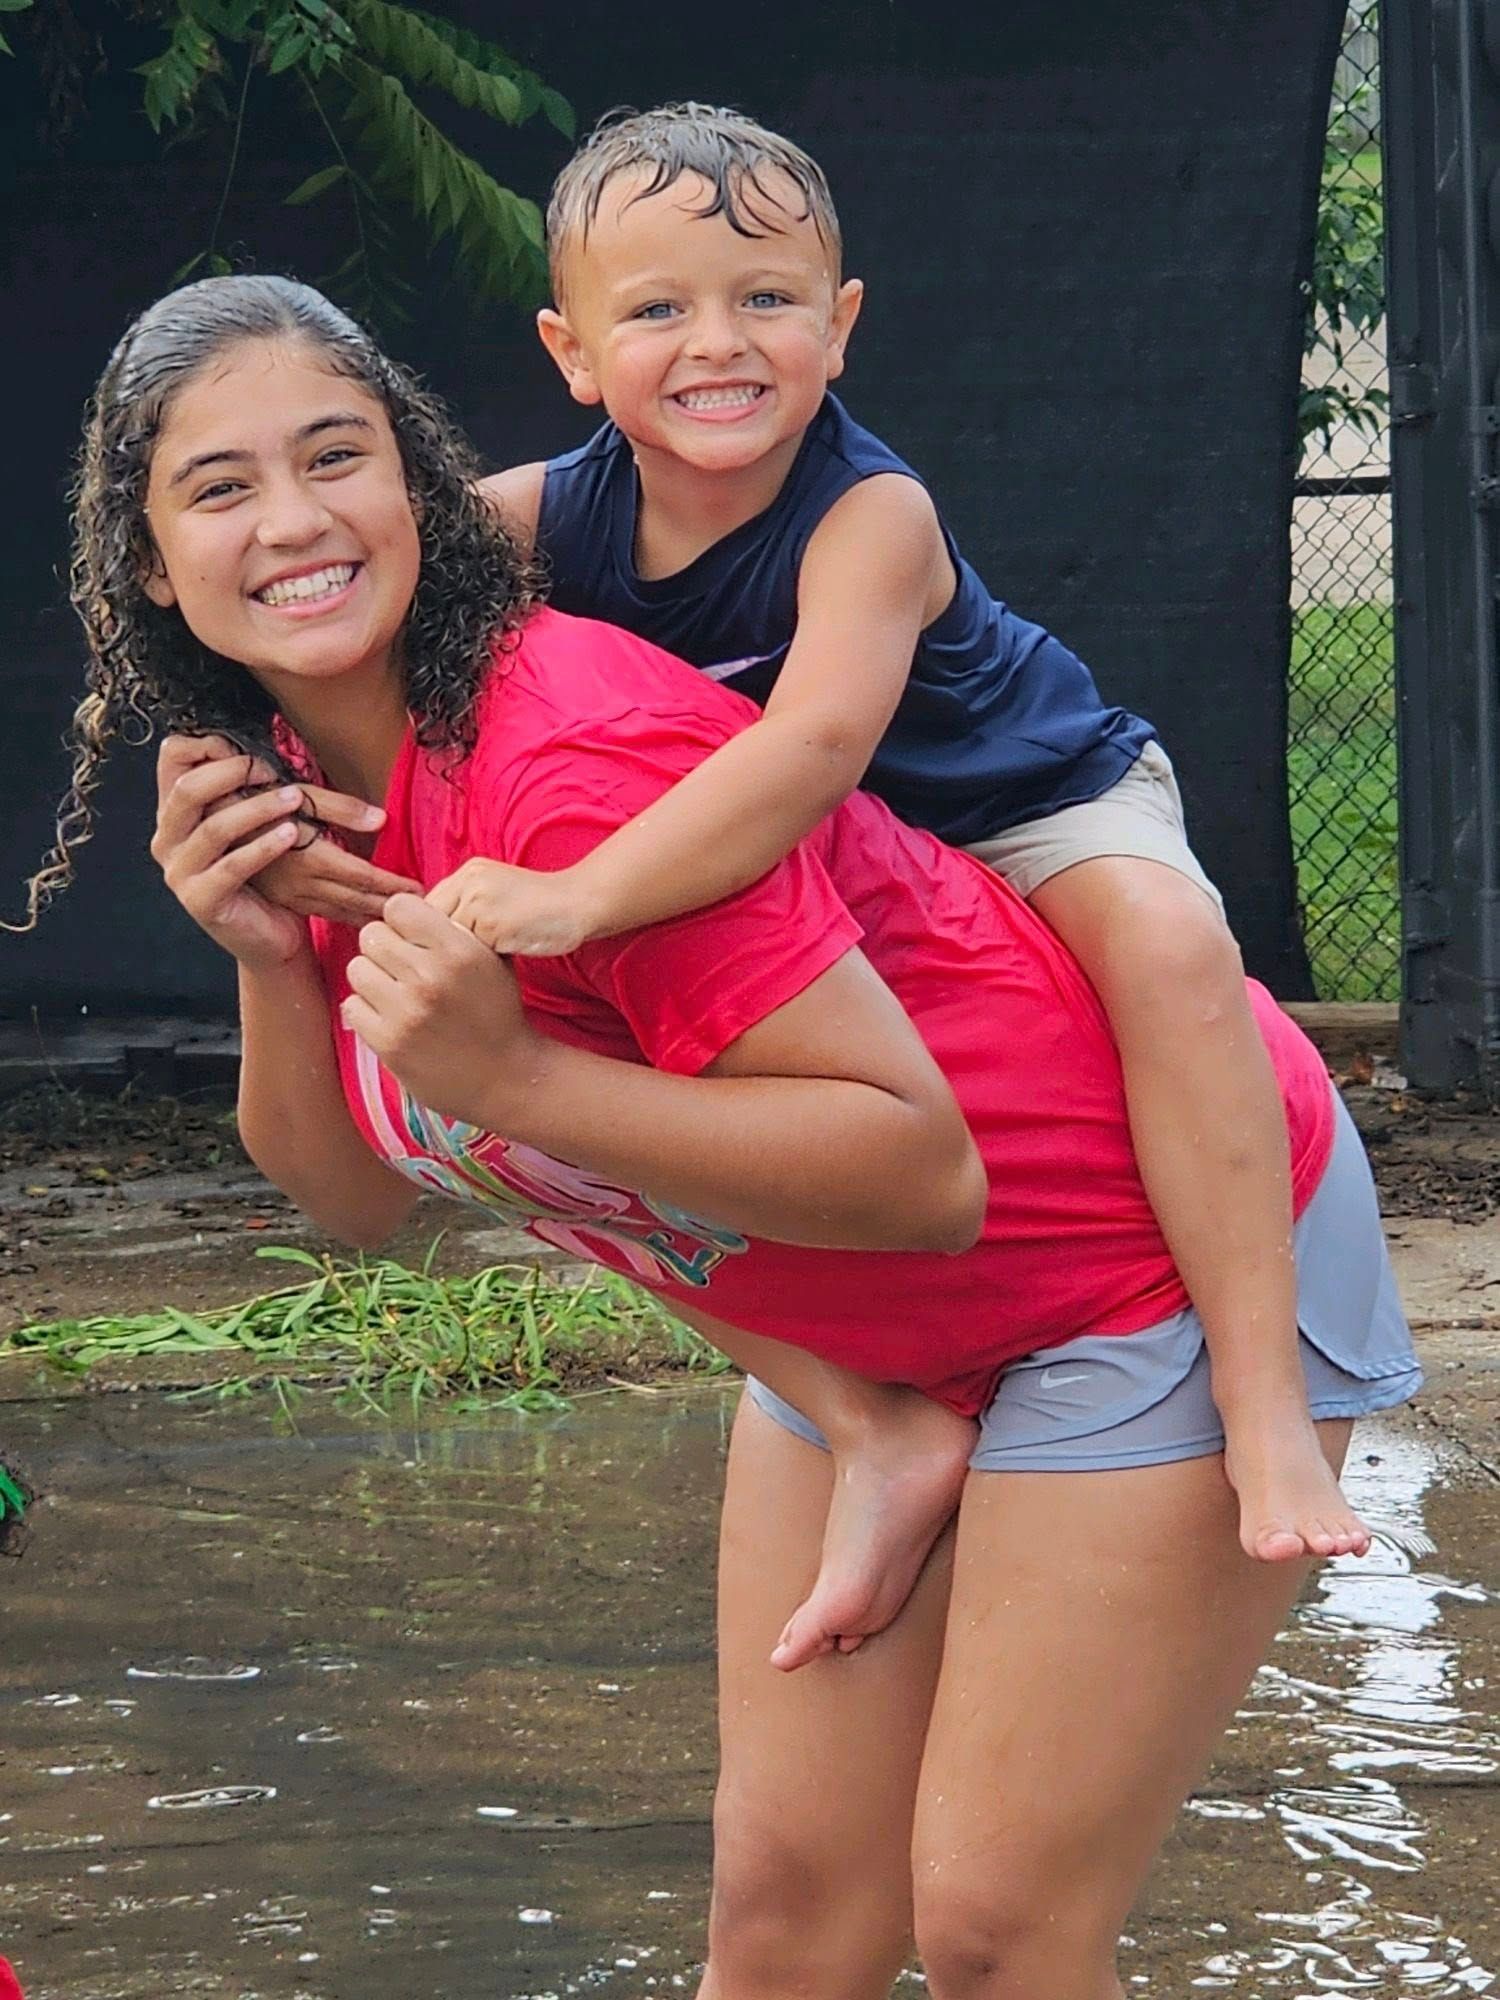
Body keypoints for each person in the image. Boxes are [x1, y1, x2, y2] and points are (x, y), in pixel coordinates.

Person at [21, 275, 1420, 1996]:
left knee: (996, 1932)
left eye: (336, 457)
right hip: (873, 1347)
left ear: (419, 486)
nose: (295, 520)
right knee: (783, 1923)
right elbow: (355, 1201)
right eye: (222, 488)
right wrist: (262, 955)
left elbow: (922, 1173)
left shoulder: (567, 757)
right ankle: (896, 1434)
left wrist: (516, 1081)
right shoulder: (299, 784)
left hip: (1134, 1265)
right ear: (150, 563)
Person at [256, 103, 1374, 1572]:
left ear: (838, 327)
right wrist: (224, 755)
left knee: (1174, 950)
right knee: (595, 1101)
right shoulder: (538, 515)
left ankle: (1263, 1390)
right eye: (657, 310)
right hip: (852, 866)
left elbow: (811, 751)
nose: (717, 343)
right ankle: (864, 1416)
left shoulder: (872, 516)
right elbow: (357, 572)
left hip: (1018, 805)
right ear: (572, 353)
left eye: (766, 299)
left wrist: (580, 895)